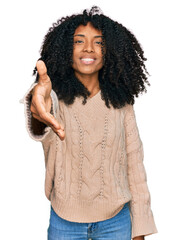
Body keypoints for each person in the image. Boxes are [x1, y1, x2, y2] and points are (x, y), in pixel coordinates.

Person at [20, 6, 158, 240]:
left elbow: (134, 165)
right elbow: (41, 115)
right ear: (65, 50)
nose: (88, 48)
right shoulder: (54, 98)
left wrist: (140, 227)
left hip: (117, 220)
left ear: (110, 50)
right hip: (64, 221)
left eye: (98, 42)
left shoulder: (121, 103)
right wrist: (37, 105)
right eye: (78, 41)